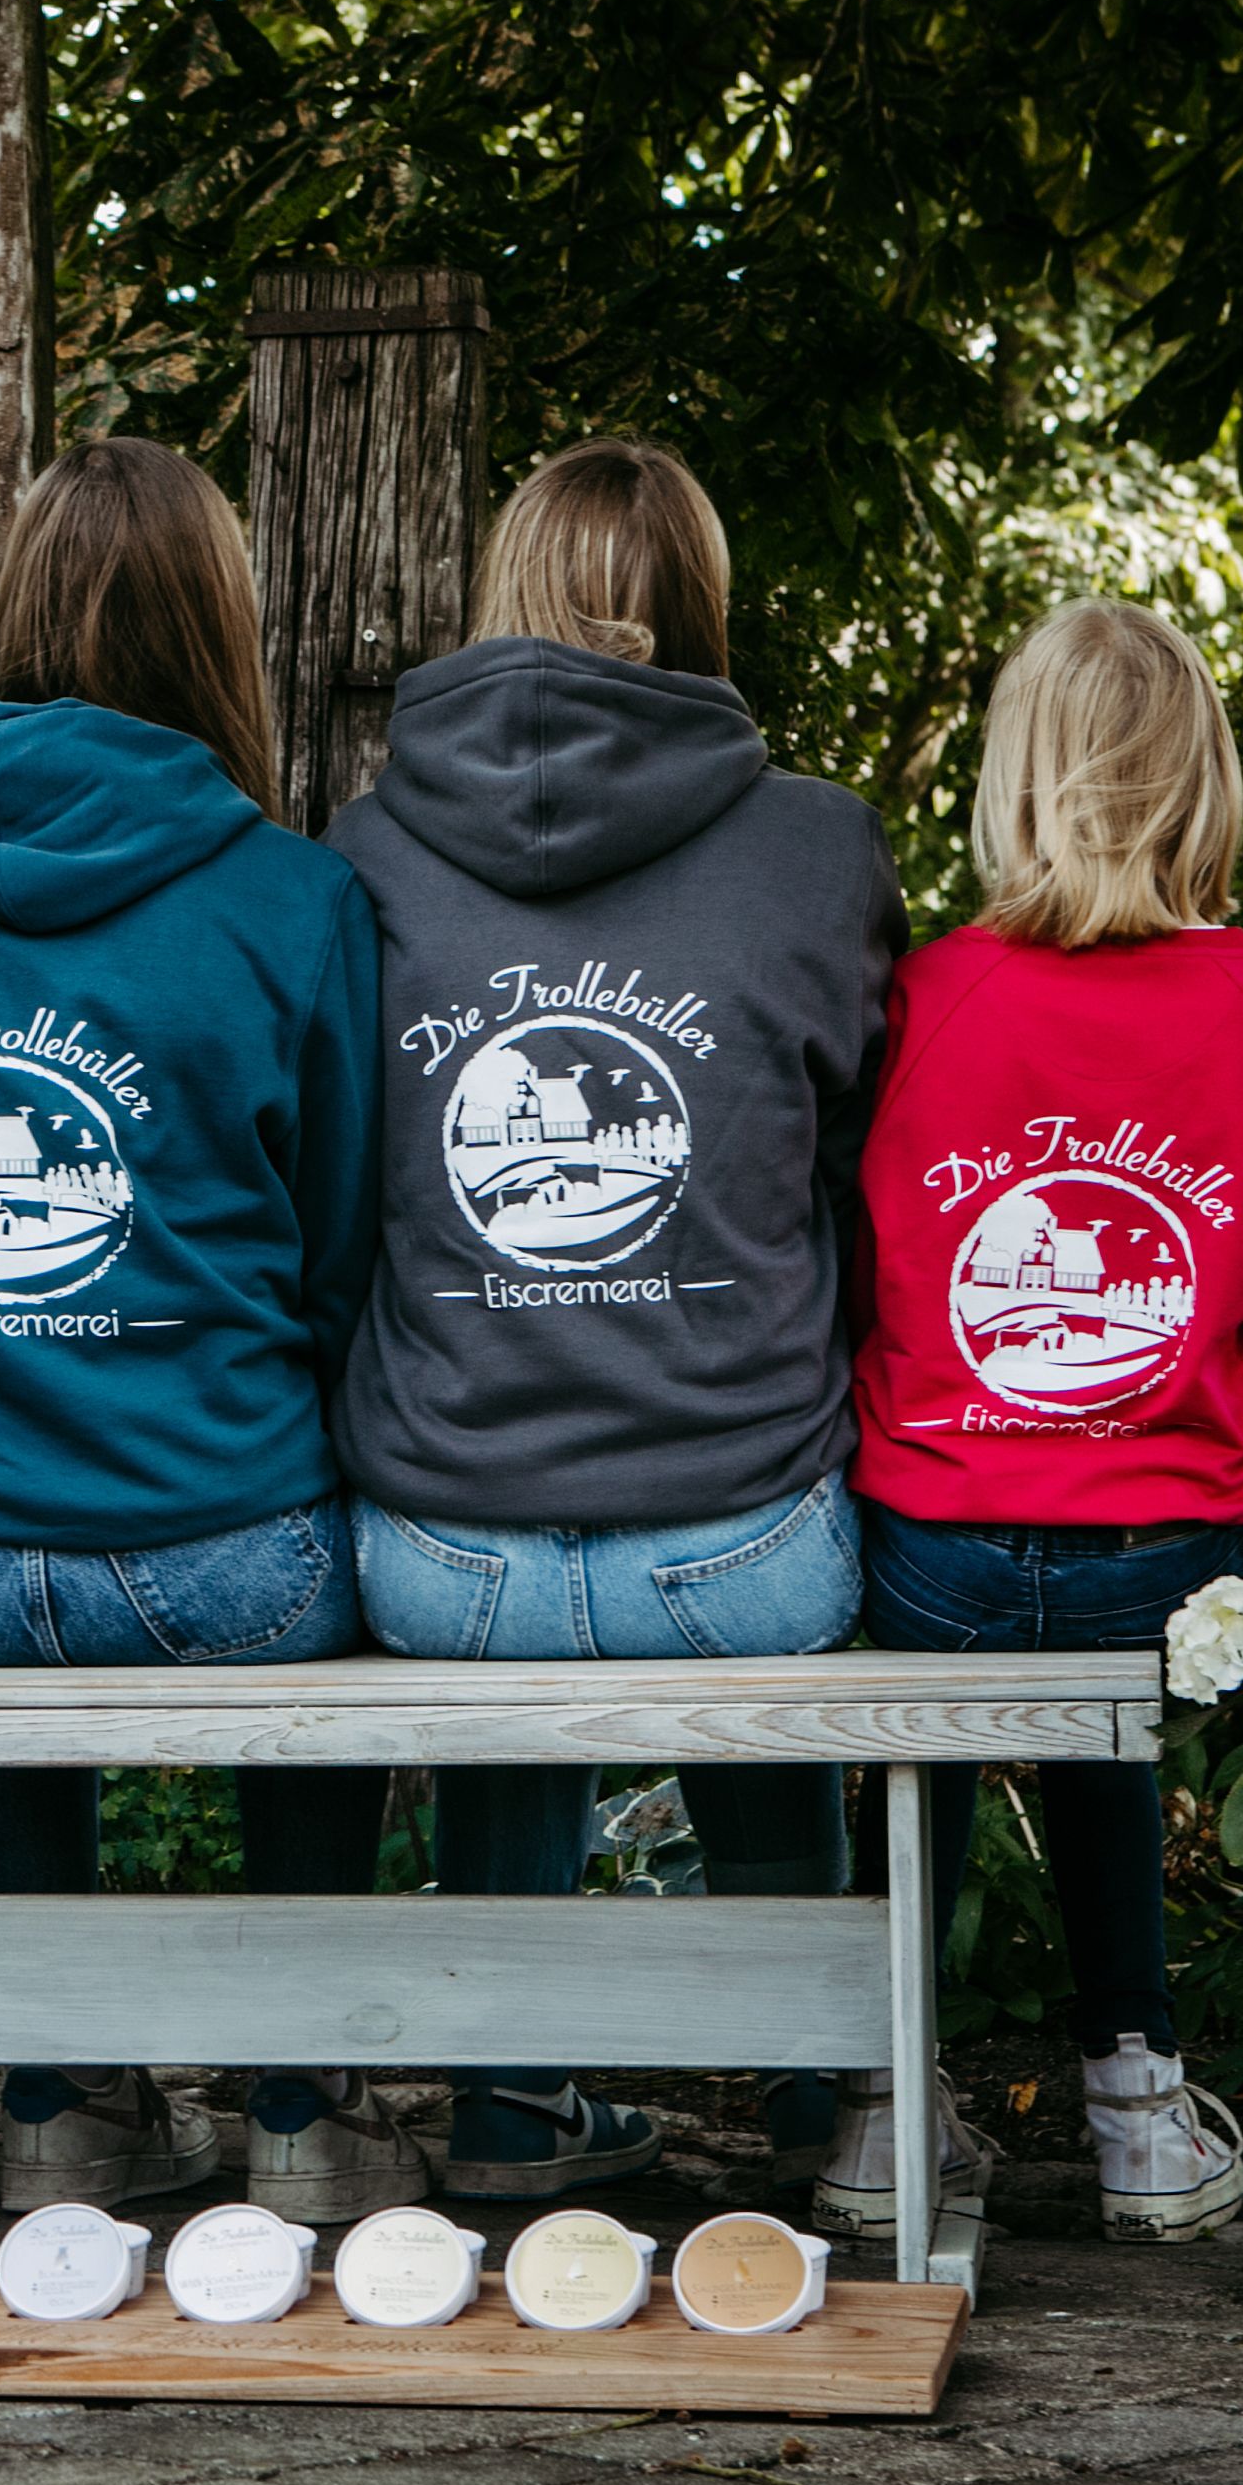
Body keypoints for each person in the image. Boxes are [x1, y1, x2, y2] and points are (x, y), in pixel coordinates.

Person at [0, 439, 404, 2221]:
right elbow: (342, 1251)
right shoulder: (293, 895)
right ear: (217, 626)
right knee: (356, 1558)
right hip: (226, 1551)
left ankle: (59, 2096)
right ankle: (300, 2102)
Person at [326, 438, 900, 2204]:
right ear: (699, 605)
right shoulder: (816, 846)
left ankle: (507, 2102)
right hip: (745, 1544)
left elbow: (336, 1191)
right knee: (764, 1514)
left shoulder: (364, 847)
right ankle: (816, 2088)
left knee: (504, 1567)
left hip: (443, 1551)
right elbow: (859, 1170)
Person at [835, 596, 1243, 2245]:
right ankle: (1135, 2100)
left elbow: (855, 1271)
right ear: (1202, 780)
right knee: (1096, 1713)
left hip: (931, 1534)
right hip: (1168, 1546)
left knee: (913, 1739)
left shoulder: (916, 999)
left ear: (1017, 777)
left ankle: (878, 2104)